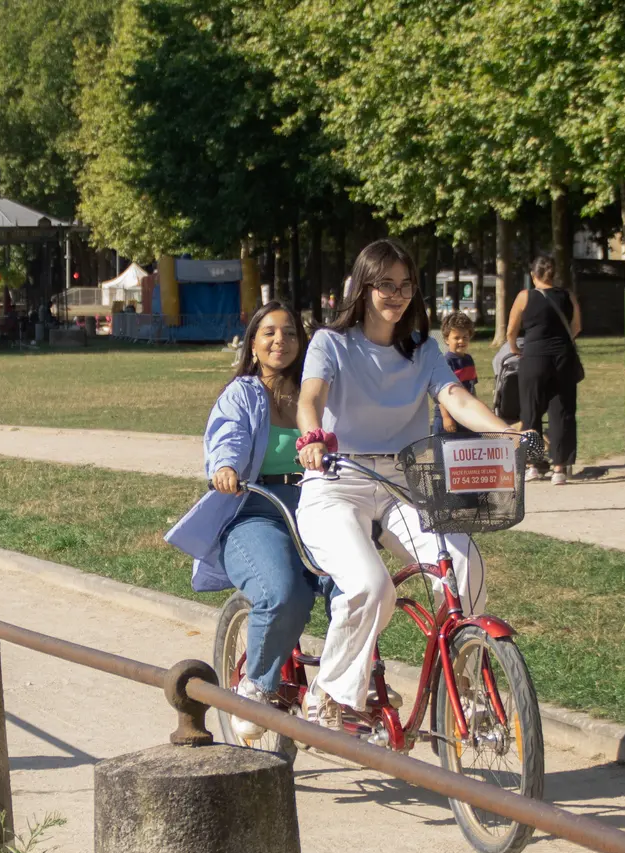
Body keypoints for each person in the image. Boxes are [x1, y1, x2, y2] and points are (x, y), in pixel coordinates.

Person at [294, 239, 519, 732]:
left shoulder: (423, 350)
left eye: (404, 285)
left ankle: (466, 686)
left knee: (464, 565)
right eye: (384, 285)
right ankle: (328, 692)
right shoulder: (331, 343)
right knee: (372, 588)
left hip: (405, 481)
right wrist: (312, 436)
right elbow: (311, 395)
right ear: (363, 287)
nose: (394, 295)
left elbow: (455, 396)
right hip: (338, 479)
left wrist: (506, 431)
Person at [165, 302, 321, 744]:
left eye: (290, 333)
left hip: (317, 509)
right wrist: (226, 466)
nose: (280, 341)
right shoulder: (242, 393)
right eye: (269, 332)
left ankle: (337, 690)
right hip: (255, 507)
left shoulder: (315, 394)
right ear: (252, 343)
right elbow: (229, 434)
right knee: (281, 592)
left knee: (362, 588)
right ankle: (256, 688)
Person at [504, 255, 582, 484]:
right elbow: (577, 326)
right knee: (563, 411)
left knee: (530, 410)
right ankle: (559, 468)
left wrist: (515, 350)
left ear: (533, 275)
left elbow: (511, 330)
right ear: (553, 274)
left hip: (534, 357)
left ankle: (533, 465)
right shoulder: (568, 296)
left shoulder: (524, 297)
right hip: (563, 358)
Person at [437, 312, 479, 433]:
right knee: (446, 450)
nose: (461, 341)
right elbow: (440, 394)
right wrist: (446, 417)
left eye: (465, 337)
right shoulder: (445, 362)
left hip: (466, 413)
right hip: (448, 416)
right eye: (456, 338)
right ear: (446, 339)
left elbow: (472, 388)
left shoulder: (468, 360)